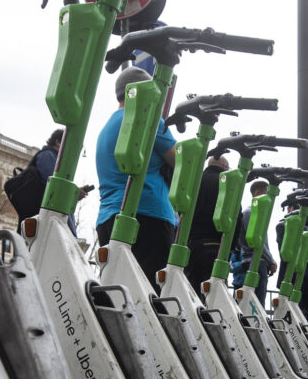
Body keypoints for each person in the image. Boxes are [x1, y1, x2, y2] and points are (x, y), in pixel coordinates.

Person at [95, 66, 177, 288]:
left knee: (118, 293)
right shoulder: (148, 121)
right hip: (149, 217)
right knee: (150, 297)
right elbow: (182, 164)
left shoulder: (108, 127)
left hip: (108, 218)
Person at [184, 151, 230, 293]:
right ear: (223, 166)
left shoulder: (194, 180)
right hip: (215, 244)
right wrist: (231, 247)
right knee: (215, 294)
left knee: (192, 291)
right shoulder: (227, 184)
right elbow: (235, 216)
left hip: (191, 243)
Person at [233, 179, 278, 305]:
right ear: (257, 193)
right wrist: (271, 260)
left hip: (261, 263)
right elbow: (256, 242)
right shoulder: (249, 213)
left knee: (259, 304)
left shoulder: (257, 214)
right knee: (256, 305)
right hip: (254, 262)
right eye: (267, 193)